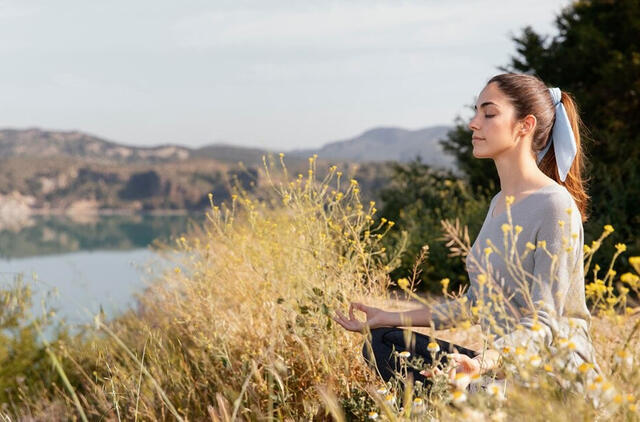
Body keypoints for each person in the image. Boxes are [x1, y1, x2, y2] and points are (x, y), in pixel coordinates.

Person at [333, 73, 601, 391]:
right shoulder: (498, 203)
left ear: (525, 126)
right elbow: (474, 305)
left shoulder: (555, 204)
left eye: (489, 114)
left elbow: (546, 323)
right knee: (383, 342)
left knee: (465, 388)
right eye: (476, 112)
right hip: (504, 366)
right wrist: (386, 316)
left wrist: (481, 364)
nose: (474, 123)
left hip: (551, 380)